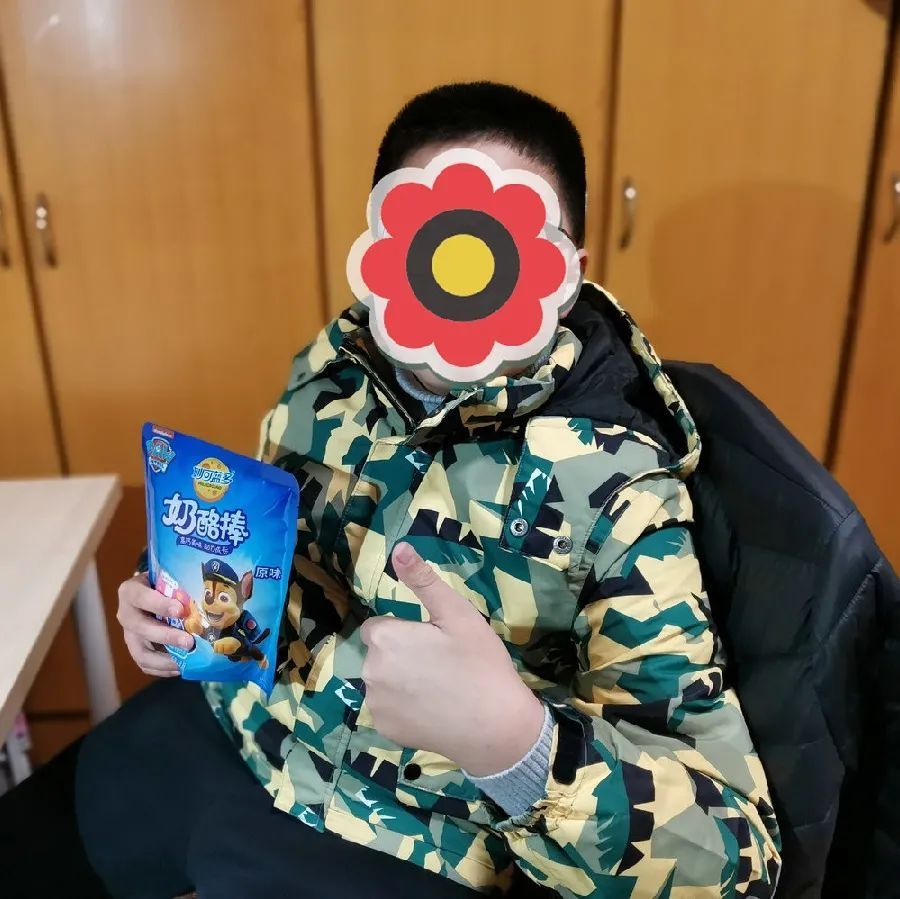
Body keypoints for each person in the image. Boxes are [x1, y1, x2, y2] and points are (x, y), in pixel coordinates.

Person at [0, 82, 781, 898]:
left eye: (501, 244)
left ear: (569, 275)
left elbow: (738, 859)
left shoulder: (621, 487)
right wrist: (176, 595)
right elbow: (272, 567)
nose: (463, 274)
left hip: (415, 836)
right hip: (235, 731)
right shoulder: (334, 370)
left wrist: (517, 746)